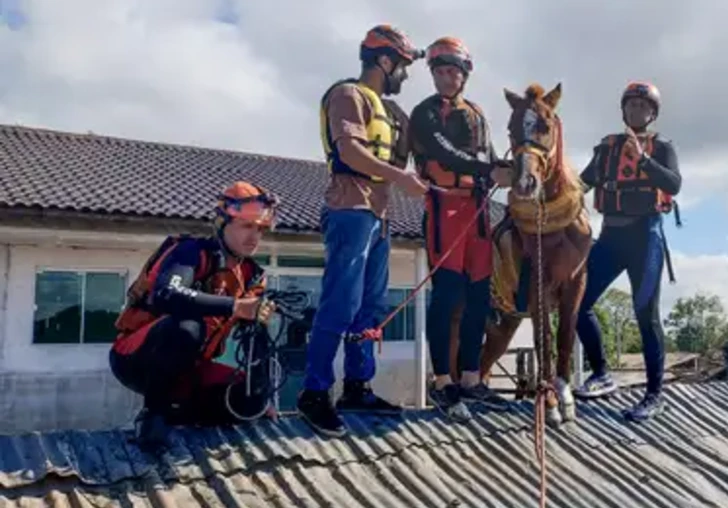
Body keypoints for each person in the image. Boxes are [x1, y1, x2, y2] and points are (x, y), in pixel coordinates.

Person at [297, 24, 430, 438]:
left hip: (379, 216)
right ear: (385, 61)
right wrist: (401, 178)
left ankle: (357, 386)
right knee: (341, 301)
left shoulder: (389, 111)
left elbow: (424, 153)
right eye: (404, 66)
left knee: (370, 306)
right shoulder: (348, 95)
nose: (405, 76)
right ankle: (314, 393)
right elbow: (350, 150)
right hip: (350, 210)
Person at [109, 181, 280, 449]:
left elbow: (254, 339)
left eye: (260, 229)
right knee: (188, 327)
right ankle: (153, 417)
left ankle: (179, 414)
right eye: (247, 226)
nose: (255, 237)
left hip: (192, 368)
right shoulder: (191, 252)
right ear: (223, 223)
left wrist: (261, 395)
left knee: (248, 402)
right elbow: (168, 293)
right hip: (137, 356)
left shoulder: (253, 275)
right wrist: (234, 306)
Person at [409, 36, 512, 422]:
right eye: (441, 71)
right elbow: (442, 153)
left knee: (478, 299)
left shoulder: (477, 113)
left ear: (465, 74)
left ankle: (472, 378)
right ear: (433, 74)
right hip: (445, 206)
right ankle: (442, 382)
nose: (448, 78)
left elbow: (489, 156)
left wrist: (511, 171)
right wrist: (489, 170)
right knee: (448, 296)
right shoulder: (425, 113)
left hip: (480, 210)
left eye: (454, 71)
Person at [574, 81, 682, 421]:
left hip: (646, 236)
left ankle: (654, 395)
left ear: (653, 114)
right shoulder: (606, 148)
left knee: (645, 315)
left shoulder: (662, 146)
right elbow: (580, 185)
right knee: (577, 303)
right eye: (632, 105)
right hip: (611, 237)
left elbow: (674, 184)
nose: (637, 111)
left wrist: (643, 159)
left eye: (644, 106)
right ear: (624, 110)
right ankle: (602, 374)